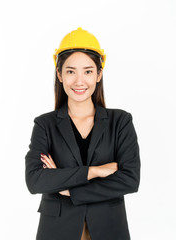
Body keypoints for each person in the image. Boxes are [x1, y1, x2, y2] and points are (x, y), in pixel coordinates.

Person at [25, 27, 141, 240]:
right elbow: (36, 180)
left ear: (99, 74)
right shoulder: (45, 125)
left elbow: (130, 180)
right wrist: (94, 171)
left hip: (109, 229)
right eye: (71, 71)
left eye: (88, 71)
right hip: (57, 231)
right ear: (59, 74)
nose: (79, 81)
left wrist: (69, 189)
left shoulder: (121, 122)